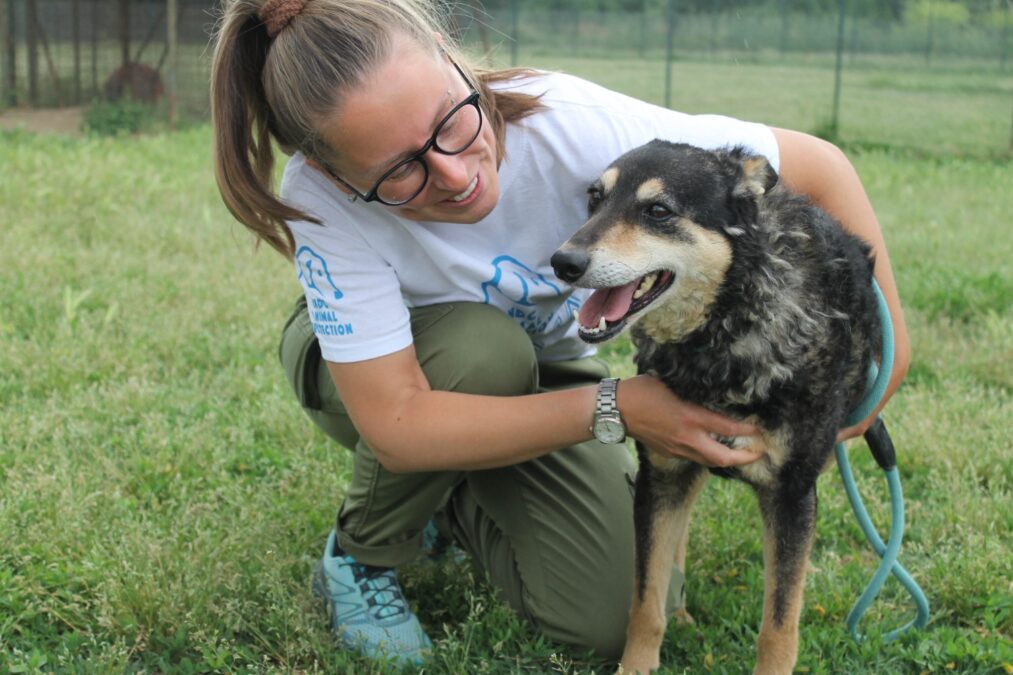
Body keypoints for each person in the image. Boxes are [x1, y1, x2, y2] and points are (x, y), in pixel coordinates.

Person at [210, 0, 910, 665]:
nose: (455, 175)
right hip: (392, 374)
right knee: (484, 352)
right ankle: (363, 553)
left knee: (606, 616)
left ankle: (456, 491)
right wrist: (622, 407)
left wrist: (892, 352)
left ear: (452, 59)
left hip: (541, 368)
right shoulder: (320, 201)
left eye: (452, 122)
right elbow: (395, 420)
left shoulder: (574, 123)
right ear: (338, 174)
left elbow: (821, 165)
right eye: (399, 171)